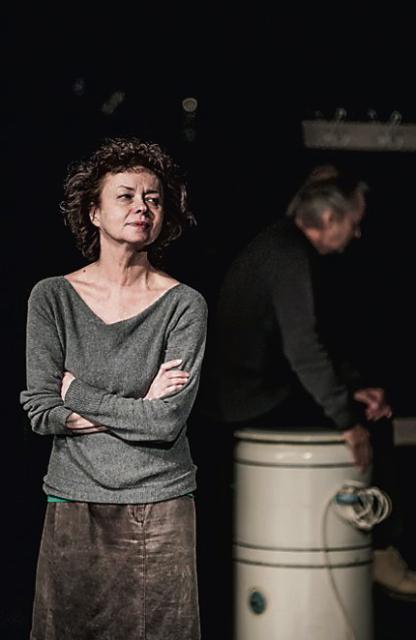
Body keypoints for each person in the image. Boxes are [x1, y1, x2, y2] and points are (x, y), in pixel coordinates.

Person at [20, 137, 207, 639]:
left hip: (160, 503)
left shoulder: (184, 305)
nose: (142, 207)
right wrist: (139, 404)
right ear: (94, 212)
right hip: (73, 500)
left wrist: (76, 392)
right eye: (125, 196)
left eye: (153, 198)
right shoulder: (52, 298)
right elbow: (41, 411)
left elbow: (166, 421)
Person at [209, 165, 416, 599]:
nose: (357, 233)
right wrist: (347, 419)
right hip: (252, 401)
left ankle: (374, 549)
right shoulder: (288, 255)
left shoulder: (279, 245)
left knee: (362, 404)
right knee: (372, 422)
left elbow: (291, 351)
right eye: (354, 223)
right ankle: (382, 551)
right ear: (328, 219)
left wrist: (349, 389)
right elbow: (303, 350)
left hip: (256, 391)